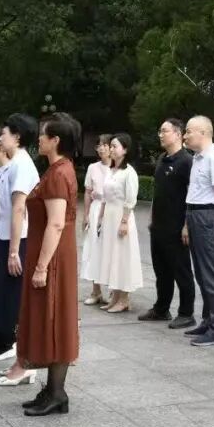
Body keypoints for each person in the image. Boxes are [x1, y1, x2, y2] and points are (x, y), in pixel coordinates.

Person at [18, 114, 81, 417]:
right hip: (53, 253)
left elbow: (56, 224)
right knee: (51, 318)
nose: (39, 139)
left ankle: (57, 393)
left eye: (44, 134)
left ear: (55, 140)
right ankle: (53, 390)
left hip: (53, 257)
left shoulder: (58, 173)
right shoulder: (59, 169)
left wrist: (42, 267)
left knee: (55, 319)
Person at [0, 114, 41, 365]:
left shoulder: (22, 165)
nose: (0, 137)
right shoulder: (13, 163)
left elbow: (19, 208)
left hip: (15, 238)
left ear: (17, 137)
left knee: (9, 290)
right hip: (3, 234)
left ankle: (10, 341)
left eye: (4, 133)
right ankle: (0, 338)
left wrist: (14, 251)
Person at [138, 118, 196, 328]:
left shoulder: (187, 161)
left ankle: (187, 313)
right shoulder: (163, 159)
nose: (161, 135)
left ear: (178, 134)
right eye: (160, 131)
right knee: (161, 271)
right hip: (159, 225)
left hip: (177, 227)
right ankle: (161, 309)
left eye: (165, 131)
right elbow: (159, 192)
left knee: (182, 271)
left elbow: (192, 195)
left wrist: (187, 225)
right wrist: (152, 216)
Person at [182, 116, 214, 347]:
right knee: (202, 274)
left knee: (212, 274)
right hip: (195, 214)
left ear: (203, 132)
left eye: (188, 131)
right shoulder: (198, 158)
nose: (185, 136)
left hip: (208, 216)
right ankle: (208, 320)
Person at [96, 134, 142, 313]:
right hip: (109, 217)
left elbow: (131, 200)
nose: (111, 149)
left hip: (122, 217)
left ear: (125, 149)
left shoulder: (129, 172)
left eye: (115, 146)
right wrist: (100, 217)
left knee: (122, 256)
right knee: (112, 256)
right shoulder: (111, 171)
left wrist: (124, 221)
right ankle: (114, 297)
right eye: (111, 146)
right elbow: (105, 198)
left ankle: (124, 299)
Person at [81, 135, 113, 305]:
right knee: (94, 247)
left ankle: (114, 291)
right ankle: (96, 291)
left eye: (105, 145)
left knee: (112, 249)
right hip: (96, 208)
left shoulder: (118, 168)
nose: (101, 149)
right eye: (99, 145)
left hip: (112, 209)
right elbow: (88, 192)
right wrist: (86, 215)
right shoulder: (93, 168)